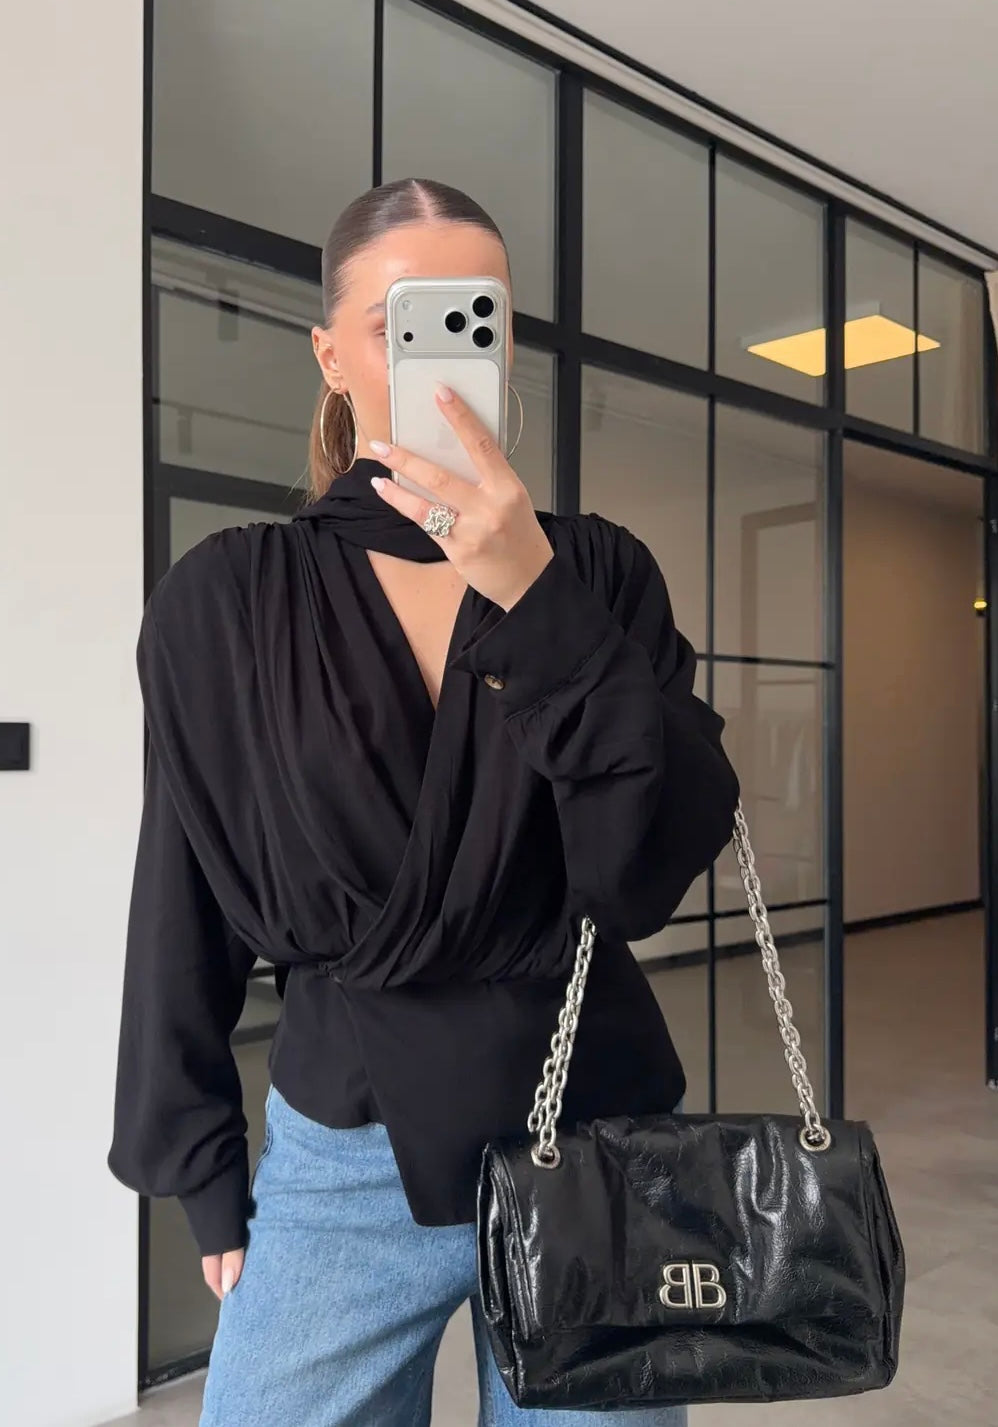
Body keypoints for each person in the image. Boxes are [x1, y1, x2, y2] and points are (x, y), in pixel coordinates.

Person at [108, 177, 740, 1426]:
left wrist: (535, 596)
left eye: (477, 314)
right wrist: (198, 1155)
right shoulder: (230, 597)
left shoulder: (599, 571)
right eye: (406, 318)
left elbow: (642, 873)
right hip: (343, 1149)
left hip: (591, 1126)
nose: (449, 346)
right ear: (331, 354)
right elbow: (182, 880)